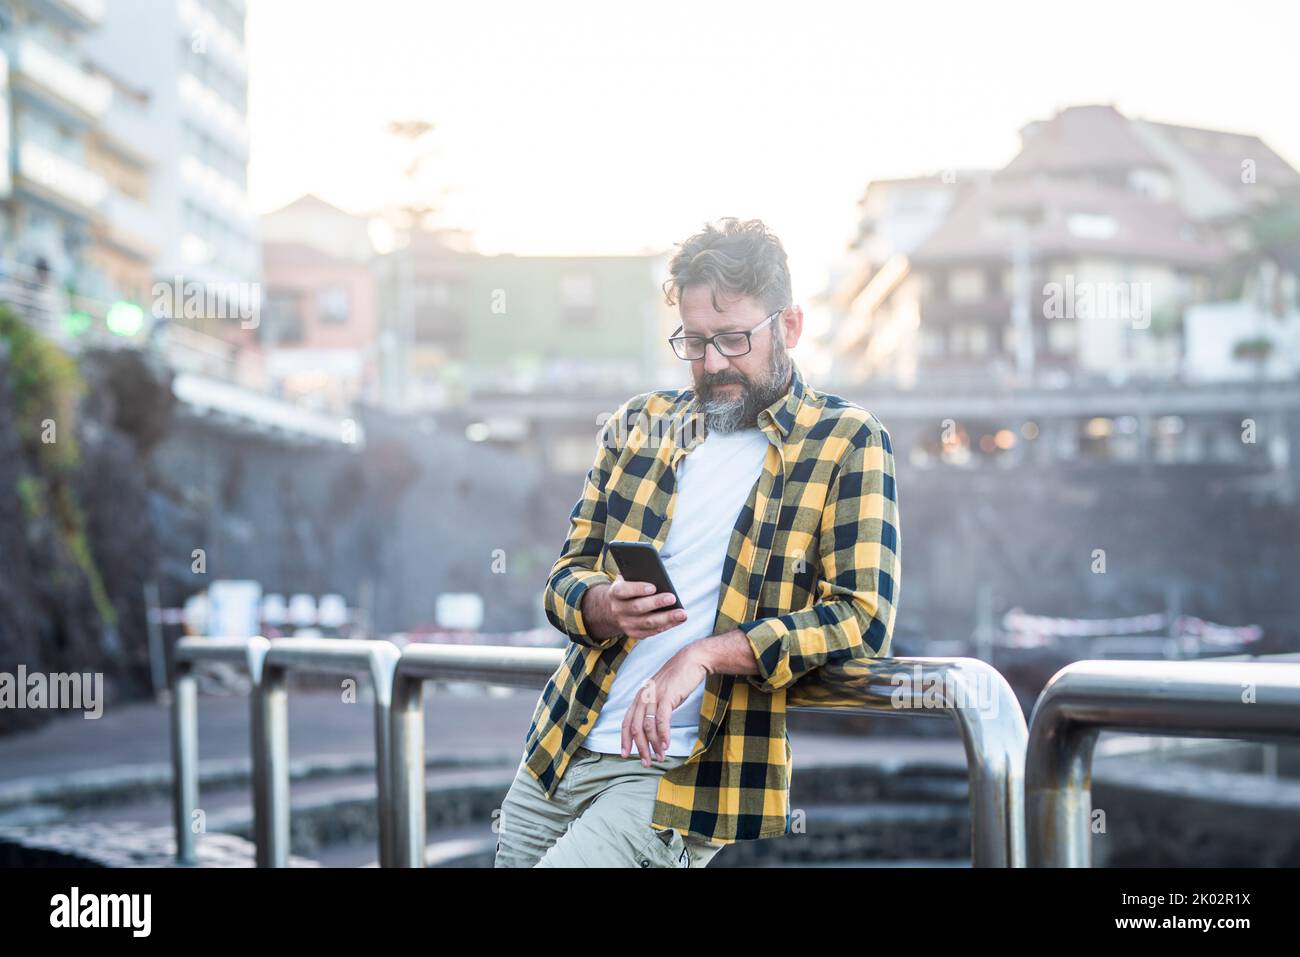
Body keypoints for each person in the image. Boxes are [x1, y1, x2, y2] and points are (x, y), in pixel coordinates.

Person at [494, 217, 901, 868]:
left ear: (789, 327)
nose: (712, 364)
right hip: (559, 749)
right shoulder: (638, 424)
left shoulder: (847, 441)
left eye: (734, 339)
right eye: (694, 341)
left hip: (677, 775)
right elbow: (564, 578)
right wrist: (603, 605)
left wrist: (708, 654)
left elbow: (862, 620)